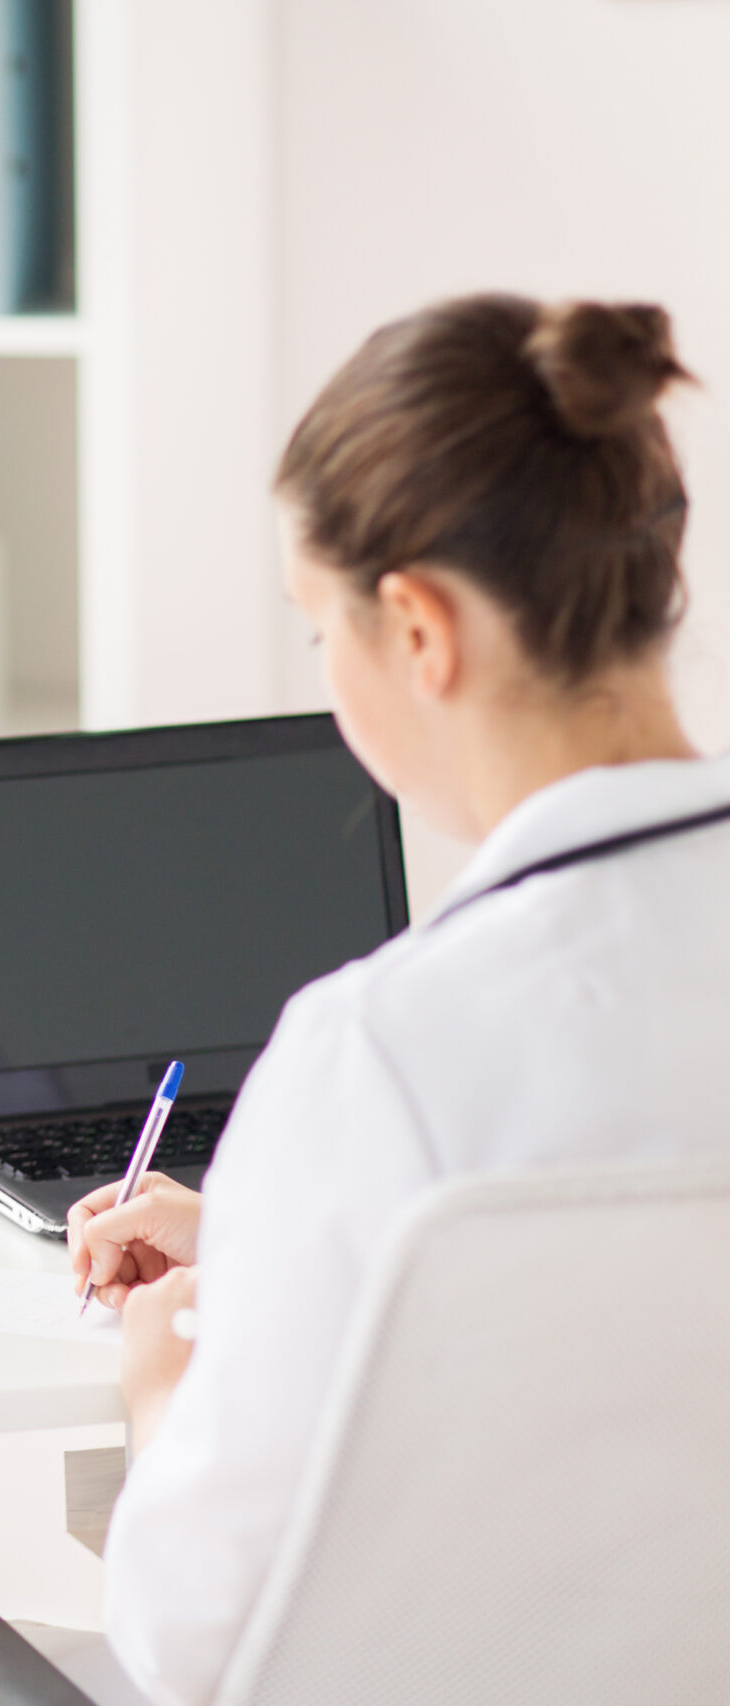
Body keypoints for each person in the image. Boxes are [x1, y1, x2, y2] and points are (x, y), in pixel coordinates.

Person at [67, 293, 730, 1706]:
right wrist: (264, 1237)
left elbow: (195, 1639)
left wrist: (163, 1377)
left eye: (320, 632)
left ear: (418, 628)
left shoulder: (381, 1053)